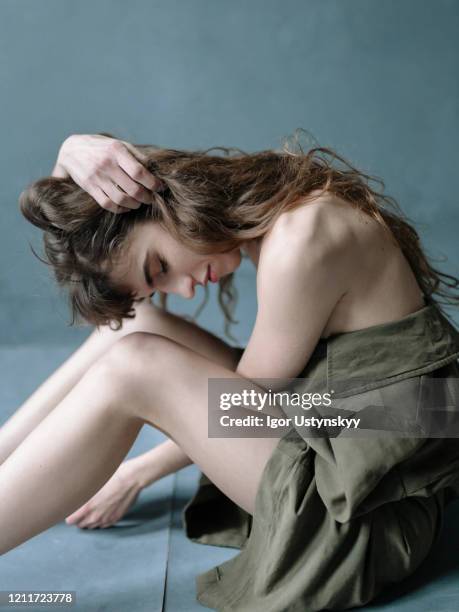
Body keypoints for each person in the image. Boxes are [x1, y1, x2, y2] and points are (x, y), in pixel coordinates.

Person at [1, 132, 459, 611]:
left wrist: (135, 473)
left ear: (162, 201)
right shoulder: (284, 204)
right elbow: (247, 402)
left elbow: (236, 408)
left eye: (159, 267)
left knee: (132, 366)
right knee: (136, 326)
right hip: (341, 434)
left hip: (362, 516)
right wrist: (70, 151)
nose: (183, 291)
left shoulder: (301, 239)